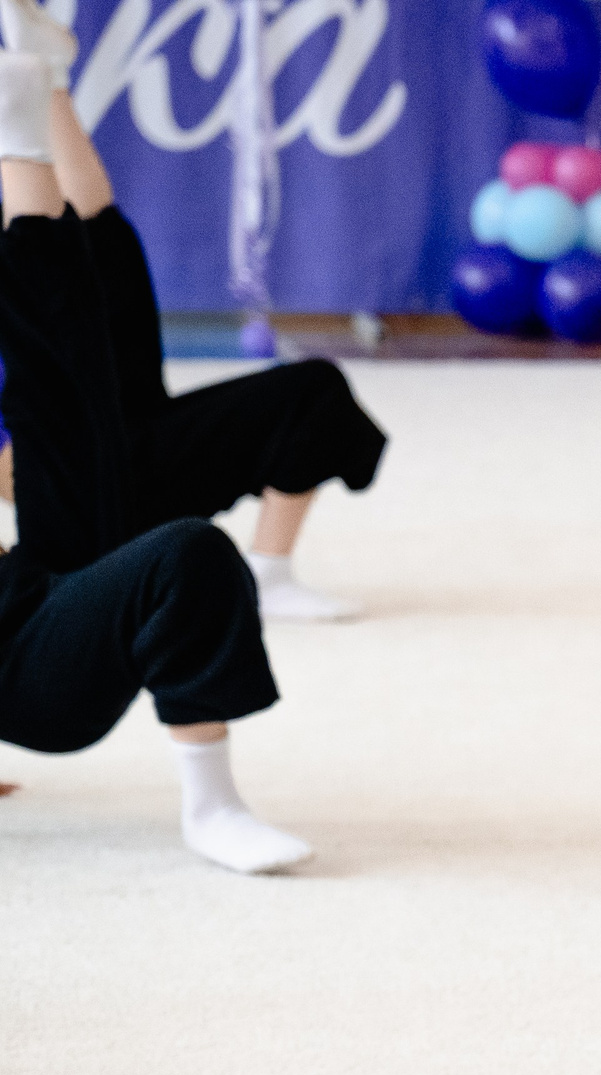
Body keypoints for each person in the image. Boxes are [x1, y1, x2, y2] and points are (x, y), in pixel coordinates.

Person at [0, 46, 311, 873]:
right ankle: (212, 805)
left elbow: (66, 274)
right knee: (186, 551)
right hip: (26, 667)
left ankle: (23, 102)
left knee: (64, 322)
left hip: (39, 583)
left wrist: (34, 94)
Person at [0, 0, 386, 624]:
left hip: (126, 436)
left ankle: (49, 78)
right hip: (91, 489)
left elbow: (89, 222)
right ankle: (33, 92)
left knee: (99, 244)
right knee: (47, 263)